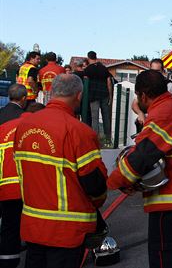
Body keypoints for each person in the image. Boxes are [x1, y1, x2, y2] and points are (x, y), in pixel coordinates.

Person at [107, 70, 172, 268]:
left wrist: (112, 182)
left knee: (162, 260)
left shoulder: (164, 114)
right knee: (170, 258)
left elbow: (143, 155)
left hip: (170, 204)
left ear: (143, 95)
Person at [14, 74, 108, 268]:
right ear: (79, 96)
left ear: (52, 92)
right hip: (67, 231)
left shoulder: (23, 126)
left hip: (32, 225)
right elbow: (95, 184)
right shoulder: (79, 131)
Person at [0, 102, 45, 268]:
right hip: (31, 188)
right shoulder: (38, 129)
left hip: (6, 188)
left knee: (9, 228)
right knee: (35, 227)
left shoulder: (4, 128)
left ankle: (7, 262)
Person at [131, 58, 172, 133]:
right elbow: (134, 104)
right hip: (146, 123)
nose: (155, 74)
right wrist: (140, 114)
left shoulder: (169, 85)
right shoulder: (145, 84)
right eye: (152, 71)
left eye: (157, 71)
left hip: (162, 126)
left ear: (163, 71)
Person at [84, 51, 113, 143]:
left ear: (88, 58)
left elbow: (85, 82)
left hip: (93, 95)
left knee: (94, 118)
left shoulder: (87, 70)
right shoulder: (104, 68)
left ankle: (96, 139)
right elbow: (109, 82)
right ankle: (108, 139)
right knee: (106, 117)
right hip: (104, 94)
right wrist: (110, 96)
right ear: (96, 57)